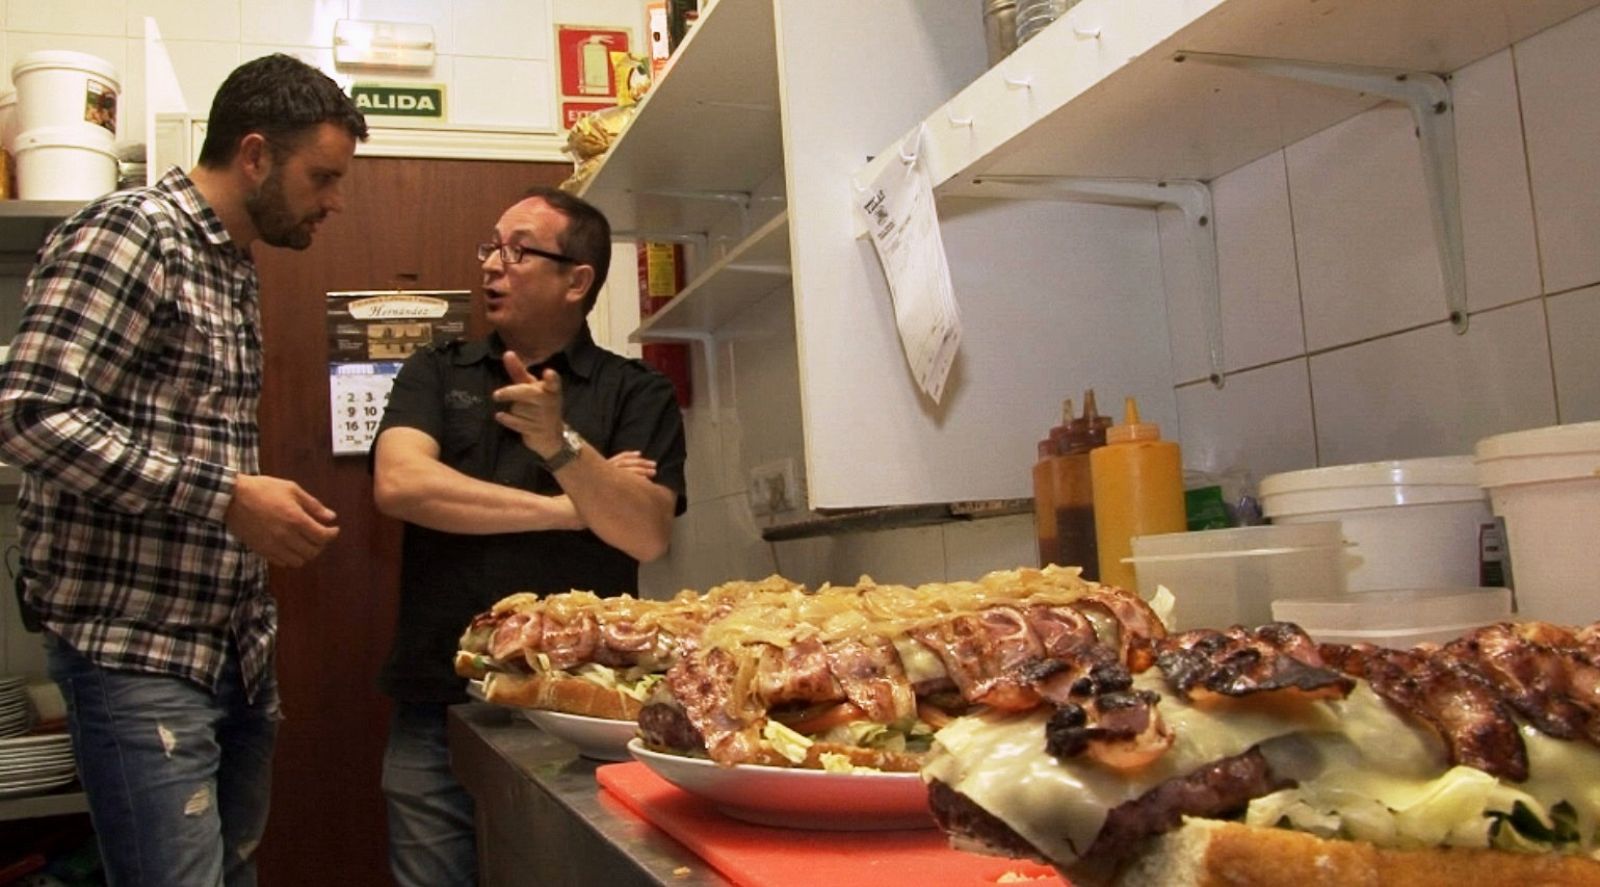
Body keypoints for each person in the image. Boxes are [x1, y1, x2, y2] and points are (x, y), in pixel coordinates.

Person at [0, 54, 367, 886]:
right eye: (323, 177)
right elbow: (28, 412)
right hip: (133, 652)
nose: (335, 200)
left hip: (228, 650)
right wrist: (227, 495)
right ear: (254, 154)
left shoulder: (230, 264)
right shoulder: (134, 231)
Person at [371, 186, 687, 886]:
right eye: (491, 244)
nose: (492, 264)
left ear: (578, 280)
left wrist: (561, 444)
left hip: (585, 709)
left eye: (519, 250)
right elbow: (402, 485)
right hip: (439, 697)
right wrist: (576, 504)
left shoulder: (636, 392)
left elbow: (644, 533)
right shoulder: (436, 370)